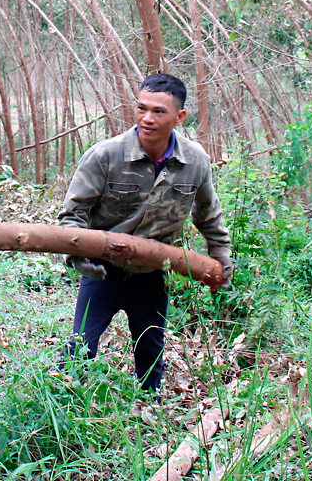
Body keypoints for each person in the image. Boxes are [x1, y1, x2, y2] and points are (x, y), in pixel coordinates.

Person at [58, 73, 232, 393]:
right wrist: (78, 254)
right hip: (102, 271)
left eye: (158, 112)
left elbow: (209, 218)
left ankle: (150, 411)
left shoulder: (195, 162)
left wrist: (221, 261)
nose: (147, 119)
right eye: (141, 109)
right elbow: (72, 215)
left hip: (154, 271)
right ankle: (61, 405)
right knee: (79, 347)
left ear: (180, 117)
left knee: (151, 353)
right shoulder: (105, 156)